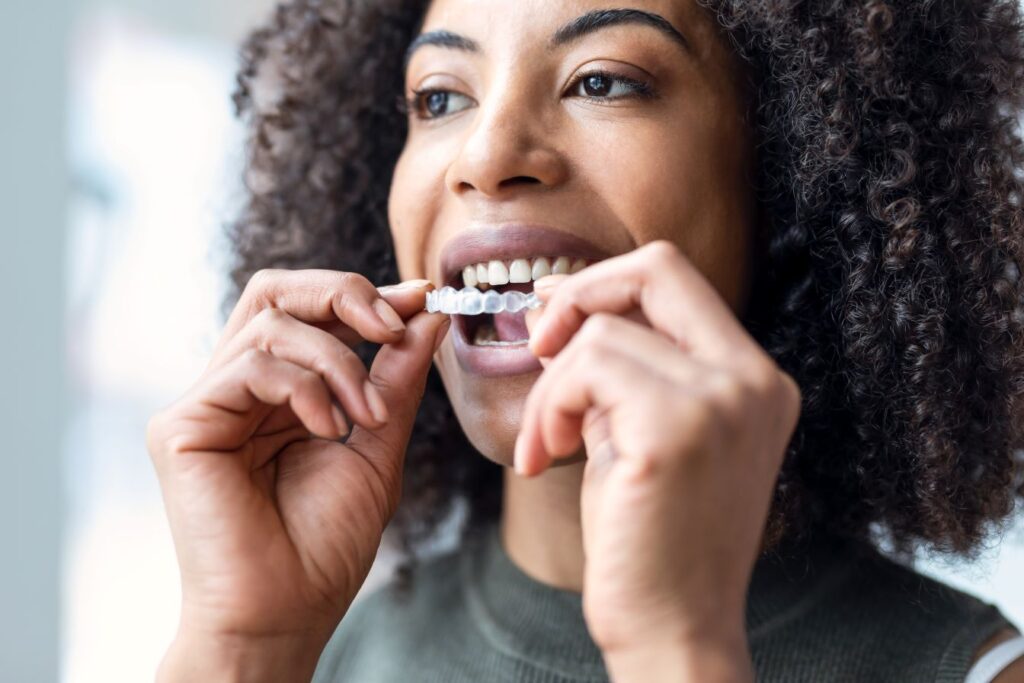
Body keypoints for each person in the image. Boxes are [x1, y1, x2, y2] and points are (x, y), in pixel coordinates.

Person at [145, 0, 1024, 680]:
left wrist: (674, 645)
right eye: (440, 97)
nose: (485, 155)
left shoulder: (968, 668)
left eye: (602, 80)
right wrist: (240, 641)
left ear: (791, 175)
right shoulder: (331, 654)